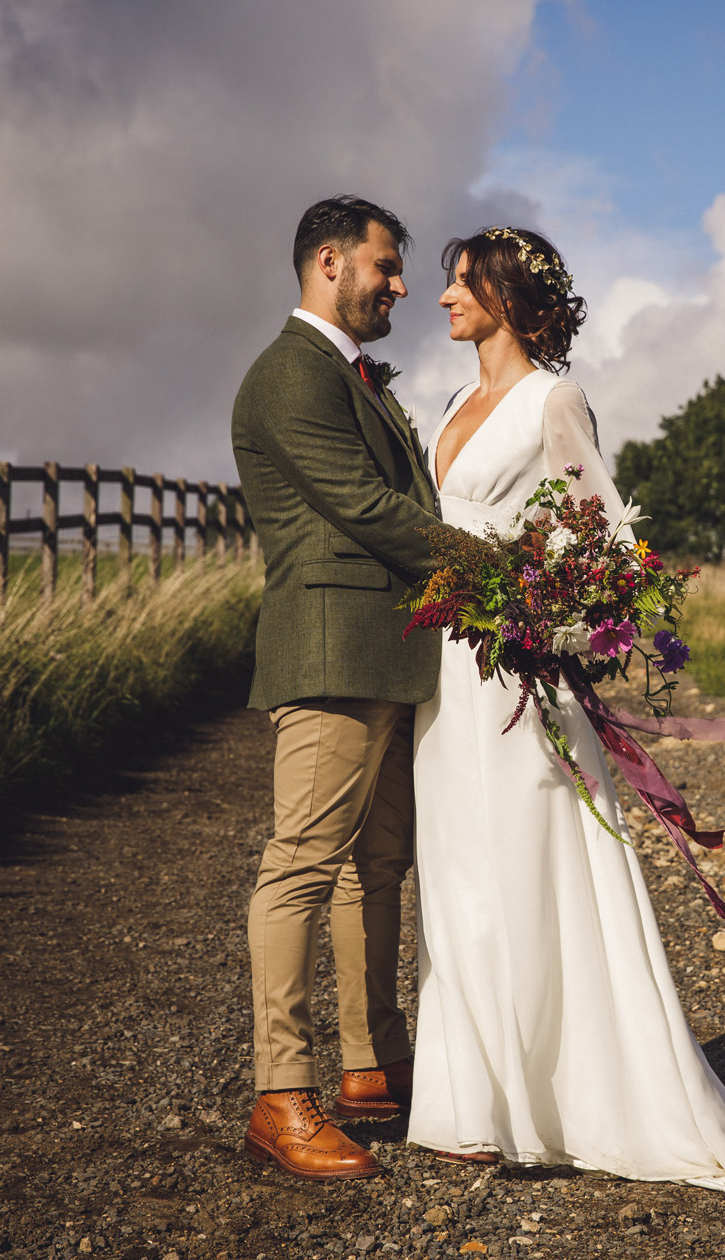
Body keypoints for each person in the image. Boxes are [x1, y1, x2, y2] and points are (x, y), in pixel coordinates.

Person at [406, 226, 725, 1204]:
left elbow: (610, 550)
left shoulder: (554, 400)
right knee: (454, 872)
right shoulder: (453, 400)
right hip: (438, 679)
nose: (444, 298)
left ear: (505, 295)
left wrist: (542, 607)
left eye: (460, 285)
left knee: (525, 875)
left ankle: (559, 1102)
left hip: (511, 678)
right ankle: (472, 1103)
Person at [229, 195, 446, 1182]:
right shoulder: (287, 375)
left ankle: (372, 1061)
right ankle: (281, 1094)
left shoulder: (351, 374)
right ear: (329, 262)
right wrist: (494, 569)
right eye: (386, 265)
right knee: (301, 865)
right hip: (330, 650)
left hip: (387, 650)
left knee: (380, 865)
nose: (399, 284)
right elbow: (362, 505)